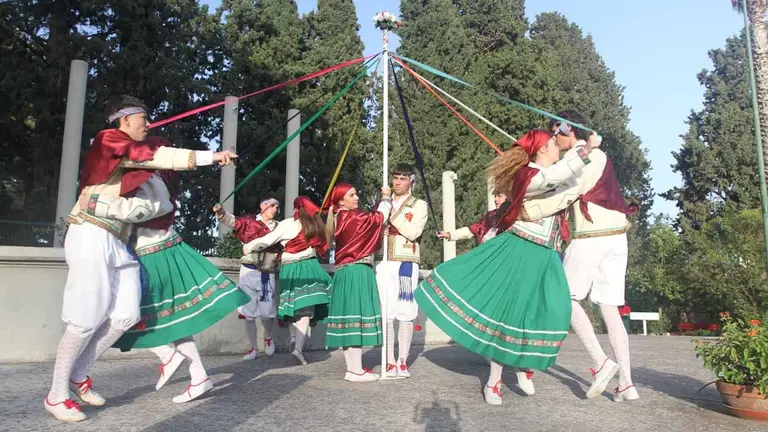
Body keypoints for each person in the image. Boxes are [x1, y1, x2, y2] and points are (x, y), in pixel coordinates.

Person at [45, 95, 236, 422]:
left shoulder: (138, 162)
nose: (147, 124)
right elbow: (149, 155)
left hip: (116, 240)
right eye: (143, 118)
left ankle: (79, 375)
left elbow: (153, 165)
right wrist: (210, 156)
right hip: (89, 232)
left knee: (126, 314)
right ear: (124, 119)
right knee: (85, 318)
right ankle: (57, 394)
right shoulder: (109, 140)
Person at [415, 129, 600, 405]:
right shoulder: (528, 174)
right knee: (510, 314)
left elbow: (570, 180)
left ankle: (525, 365)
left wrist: (584, 147)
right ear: (540, 150)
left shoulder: (553, 171)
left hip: (547, 253)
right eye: (551, 144)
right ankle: (495, 380)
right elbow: (556, 176)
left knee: (552, 310)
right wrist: (584, 152)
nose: (556, 147)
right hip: (523, 248)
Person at [88, 170, 249, 403]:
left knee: (122, 314)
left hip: (153, 253)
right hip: (163, 249)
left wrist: (93, 202)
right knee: (174, 317)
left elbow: (138, 212)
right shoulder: (157, 178)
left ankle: (169, 357)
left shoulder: (146, 178)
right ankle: (197, 375)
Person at [550, 109, 639, 402]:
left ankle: (601, 362)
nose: (553, 137)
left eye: (555, 131)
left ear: (568, 130)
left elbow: (567, 192)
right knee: (609, 308)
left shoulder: (579, 156)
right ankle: (626, 383)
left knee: (566, 296)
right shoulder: (600, 155)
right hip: (617, 237)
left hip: (591, 236)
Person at [240, 196, 332, 365]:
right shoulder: (315, 225)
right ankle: (298, 347)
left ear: (295, 208)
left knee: (291, 304)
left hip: (289, 267)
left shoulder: (286, 224)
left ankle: (293, 338)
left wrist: (248, 246)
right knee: (306, 308)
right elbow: (325, 244)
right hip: (309, 265)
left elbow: (267, 241)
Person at [324, 183, 392, 382]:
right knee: (357, 315)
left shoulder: (340, 218)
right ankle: (354, 370)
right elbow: (378, 218)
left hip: (345, 271)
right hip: (357, 271)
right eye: (351, 195)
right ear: (340, 201)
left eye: (356, 194)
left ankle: (353, 368)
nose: (356, 198)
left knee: (349, 318)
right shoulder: (352, 217)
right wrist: (386, 198)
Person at [375, 163, 429, 378]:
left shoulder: (419, 205)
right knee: (387, 311)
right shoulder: (383, 203)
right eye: (395, 178)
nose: (397, 182)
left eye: (403, 178)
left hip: (406, 261)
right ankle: (389, 361)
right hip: (384, 260)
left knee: (406, 311)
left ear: (411, 181)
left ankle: (402, 361)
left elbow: (414, 232)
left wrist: (394, 218)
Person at [215, 198, 281, 360]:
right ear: (262, 206)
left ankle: (268, 337)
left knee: (267, 313)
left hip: (267, 273)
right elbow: (232, 221)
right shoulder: (249, 222)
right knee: (248, 313)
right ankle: (253, 348)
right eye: (272, 205)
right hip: (248, 271)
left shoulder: (279, 228)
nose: (275, 209)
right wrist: (221, 212)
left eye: (277, 207)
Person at [436, 192, 507, 244]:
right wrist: (449, 234)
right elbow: (472, 230)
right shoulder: (491, 216)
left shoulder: (516, 218)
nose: (495, 199)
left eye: (499, 196)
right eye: (495, 196)